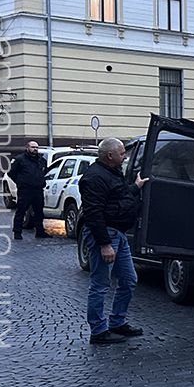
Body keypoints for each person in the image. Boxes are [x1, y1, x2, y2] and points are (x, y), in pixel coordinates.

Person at [79, 138, 148, 344]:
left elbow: (120, 197)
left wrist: (136, 187)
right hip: (106, 236)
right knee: (100, 284)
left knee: (129, 280)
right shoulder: (94, 178)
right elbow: (93, 214)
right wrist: (104, 244)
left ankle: (117, 322)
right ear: (110, 156)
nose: (125, 156)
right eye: (121, 153)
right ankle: (98, 332)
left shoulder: (111, 172)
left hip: (118, 234)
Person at [10, 141, 49, 240]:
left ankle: (40, 231)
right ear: (27, 148)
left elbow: (44, 171)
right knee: (21, 211)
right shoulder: (20, 159)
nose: (35, 149)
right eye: (33, 147)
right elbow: (12, 173)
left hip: (38, 189)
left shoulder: (41, 160)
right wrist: (20, 182)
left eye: (36, 147)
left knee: (39, 212)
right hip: (25, 190)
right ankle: (17, 232)